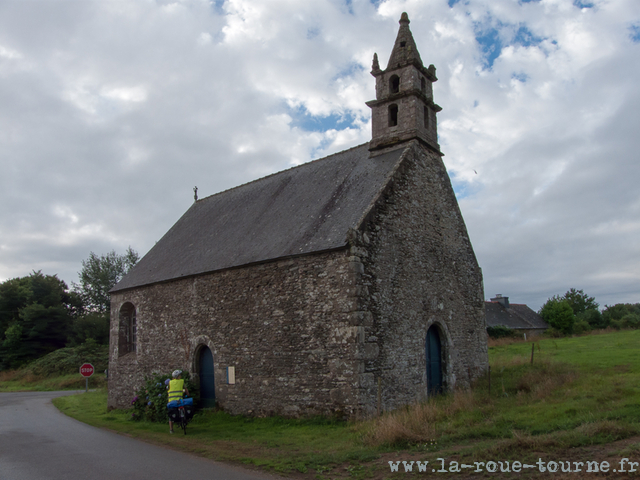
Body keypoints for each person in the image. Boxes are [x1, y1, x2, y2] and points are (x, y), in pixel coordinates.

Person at [167, 369, 189, 434]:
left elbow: (168, 390)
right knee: (184, 409)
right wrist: (187, 394)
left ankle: (171, 429)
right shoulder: (181, 381)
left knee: (171, 415)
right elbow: (186, 390)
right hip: (179, 400)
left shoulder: (170, 382)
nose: (181, 376)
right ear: (178, 376)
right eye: (180, 375)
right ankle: (185, 420)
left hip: (171, 401)